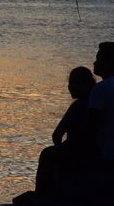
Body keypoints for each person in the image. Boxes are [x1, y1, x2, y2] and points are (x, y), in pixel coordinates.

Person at [35, 66, 96, 194]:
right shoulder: (96, 101)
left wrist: (62, 148)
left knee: (47, 154)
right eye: (70, 83)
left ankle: (40, 195)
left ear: (85, 85)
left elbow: (56, 135)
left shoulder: (79, 105)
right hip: (94, 152)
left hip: (79, 152)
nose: (70, 87)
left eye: (74, 83)